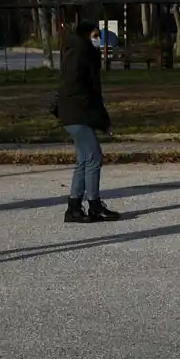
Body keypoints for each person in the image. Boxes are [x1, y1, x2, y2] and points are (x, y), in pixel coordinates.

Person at [57, 19, 120, 223]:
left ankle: (74, 206)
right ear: (86, 36)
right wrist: (99, 118)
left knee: (85, 160)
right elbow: (83, 91)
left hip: (74, 113)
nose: (99, 40)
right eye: (95, 36)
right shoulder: (79, 54)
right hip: (77, 113)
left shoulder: (78, 52)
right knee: (94, 158)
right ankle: (93, 205)